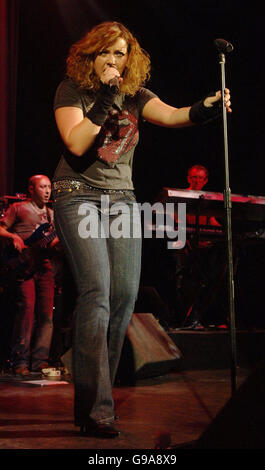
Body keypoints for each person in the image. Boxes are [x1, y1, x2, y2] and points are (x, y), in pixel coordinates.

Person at [52, 21, 231, 438]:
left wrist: (206, 107)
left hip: (122, 201)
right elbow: (77, 143)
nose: (113, 60)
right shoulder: (71, 90)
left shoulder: (136, 95)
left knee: (122, 299)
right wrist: (107, 97)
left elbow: (172, 116)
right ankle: (98, 409)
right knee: (96, 293)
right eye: (106, 53)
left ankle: (97, 400)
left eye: (120, 53)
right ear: (90, 56)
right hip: (78, 194)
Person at [0, 175, 59, 376]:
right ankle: (20, 361)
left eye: (49, 187)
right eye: (43, 187)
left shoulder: (52, 215)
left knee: (46, 314)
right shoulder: (19, 208)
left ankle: (40, 360)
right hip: (23, 265)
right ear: (31, 189)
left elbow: (51, 243)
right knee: (26, 311)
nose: (47, 191)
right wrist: (13, 236)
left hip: (44, 266)